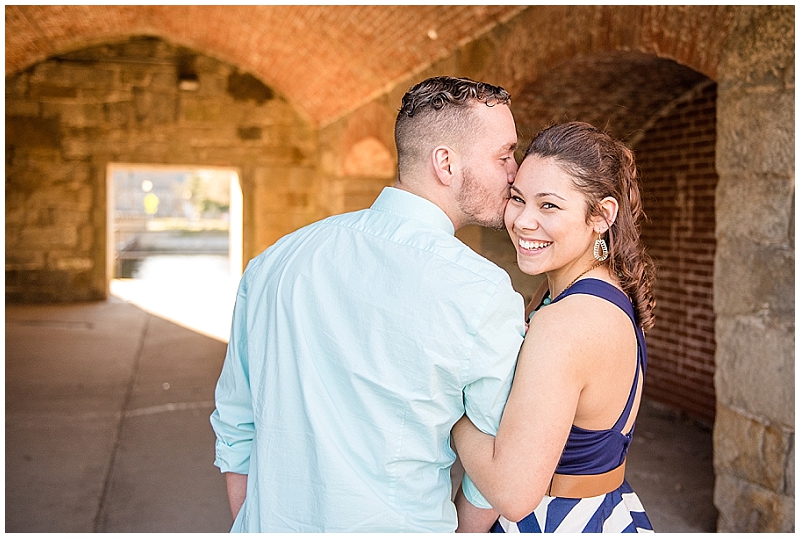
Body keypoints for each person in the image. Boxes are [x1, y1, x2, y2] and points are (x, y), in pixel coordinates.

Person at [209, 76, 526, 532]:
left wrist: (251, 523)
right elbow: (496, 456)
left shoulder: (275, 261)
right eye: (504, 156)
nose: (515, 172)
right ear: (446, 163)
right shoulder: (480, 291)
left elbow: (236, 422)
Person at [451, 121, 656, 533]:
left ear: (601, 215)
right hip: (604, 511)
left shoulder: (565, 324)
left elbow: (511, 492)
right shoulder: (596, 293)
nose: (524, 222)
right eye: (517, 198)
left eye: (549, 206)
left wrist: (453, 406)